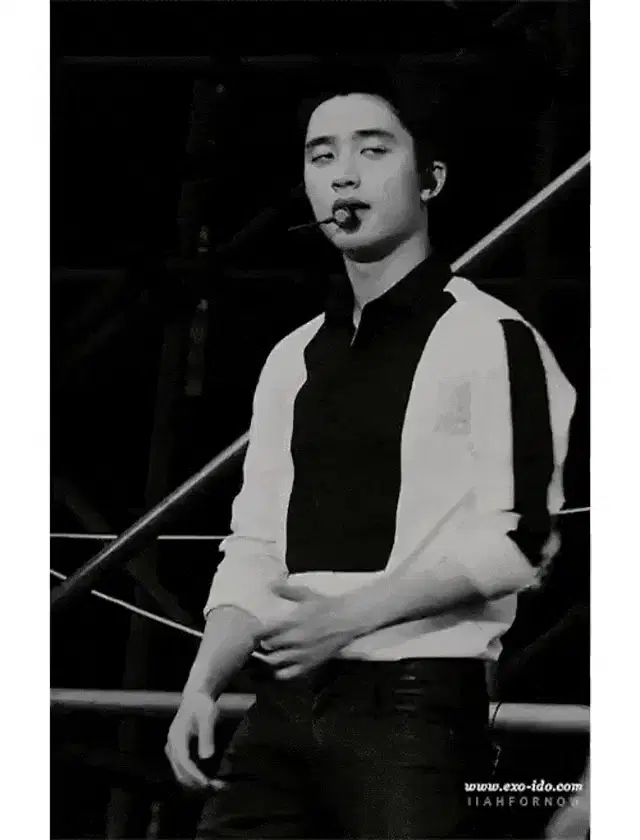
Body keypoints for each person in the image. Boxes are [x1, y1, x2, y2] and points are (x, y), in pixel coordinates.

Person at [165, 64, 577, 839]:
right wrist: (203, 682)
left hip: (412, 706)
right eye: (321, 156)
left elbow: (521, 539)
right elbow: (256, 542)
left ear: (431, 178)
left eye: (373, 149)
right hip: (282, 702)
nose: (343, 174)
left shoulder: (490, 336)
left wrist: (348, 618)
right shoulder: (293, 356)